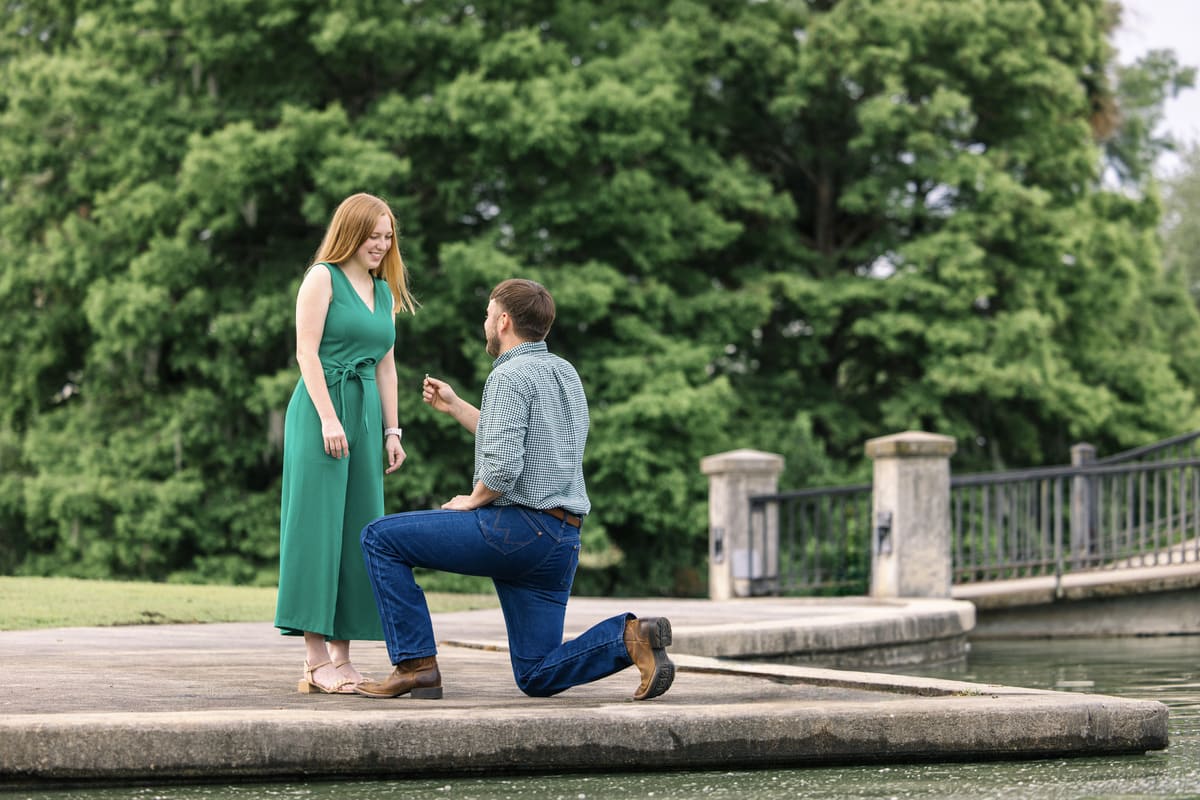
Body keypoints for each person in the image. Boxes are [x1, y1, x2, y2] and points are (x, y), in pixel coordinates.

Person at [356, 278, 674, 701]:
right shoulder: (564, 372)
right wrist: (454, 405)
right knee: (537, 673)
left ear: (503, 321)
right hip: (561, 540)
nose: (485, 322)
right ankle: (632, 637)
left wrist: (473, 500)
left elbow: (503, 466)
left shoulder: (508, 376)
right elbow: (522, 439)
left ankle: (416, 666)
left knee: (379, 538)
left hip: (517, 531)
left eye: (488, 315)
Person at [275, 192, 417, 694]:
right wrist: (329, 419)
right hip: (321, 412)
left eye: (387, 237)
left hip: (364, 414)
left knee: (360, 530)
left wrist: (392, 430)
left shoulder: (384, 292)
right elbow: (305, 353)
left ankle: (343, 654)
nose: (381, 245)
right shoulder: (322, 277)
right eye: (373, 236)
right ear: (351, 232)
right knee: (318, 529)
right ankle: (314, 660)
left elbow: (386, 366)